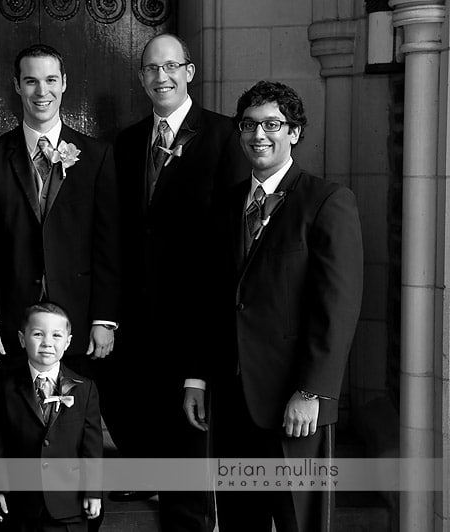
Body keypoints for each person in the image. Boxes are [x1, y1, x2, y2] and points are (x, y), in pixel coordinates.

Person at [183, 80, 363, 532]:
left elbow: (337, 309)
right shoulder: (224, 204)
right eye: (248, 125)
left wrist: (312, 392)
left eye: (272, 124)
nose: (258, 135)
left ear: (294, 132)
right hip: (232, 397)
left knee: (294, 521)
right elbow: (210, 299)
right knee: (240, 519)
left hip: (293, 402)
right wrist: (198, 377)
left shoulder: (326, 201)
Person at [112, 33, 248, 530]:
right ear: (142, 77)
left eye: (171, 66)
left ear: (190, 72)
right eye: (150, 68)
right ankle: (149, 472)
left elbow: (233, 239)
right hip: (137, 315)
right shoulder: (126, 142)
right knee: (140, 415)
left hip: (197, 313)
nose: (161, 77)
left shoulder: (225, 135)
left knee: (191, 437)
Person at [0, 44, 120, 389]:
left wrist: (104, 318)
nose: (42, 91)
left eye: (51, 79)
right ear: (17, 85)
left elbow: (108, 244)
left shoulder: (97, 156)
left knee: (75, 421)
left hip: (79, 320)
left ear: (64, 83)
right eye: (31, 81)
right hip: (11, 320)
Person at [0, 302, 103, 531]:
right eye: (38, 334)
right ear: (22, 339)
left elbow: (92, 447)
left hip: (70, 503)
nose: (47, 343)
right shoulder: (4, 387)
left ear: (68, 342)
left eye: (57, 335)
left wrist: (93, 492)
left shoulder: (85, 389)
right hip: (21, 504)